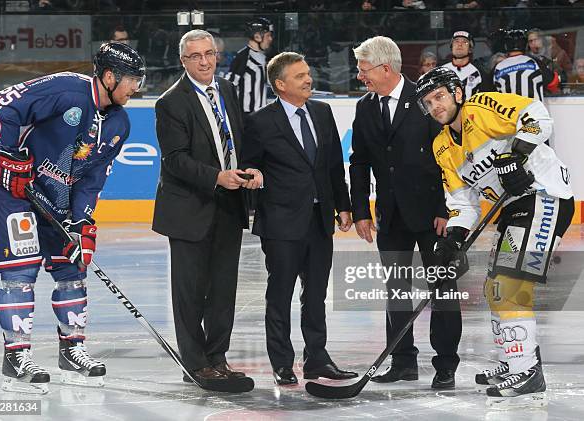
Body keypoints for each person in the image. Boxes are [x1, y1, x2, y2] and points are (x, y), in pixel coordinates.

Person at [0, 42, 146, 394]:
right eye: (132, 80)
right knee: (20, 273)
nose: (137, 87)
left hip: (58, 201)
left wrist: (82, 221)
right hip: (14, 194)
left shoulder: (119, 123)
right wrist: (9, 155)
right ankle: (16, 357)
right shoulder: (67, 88)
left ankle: (72, 351)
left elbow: (92, 178)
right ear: (111, 76)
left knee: (73, 269)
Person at [416, 67, 574, 408]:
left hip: (545, 196)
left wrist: (517, 153)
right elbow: (463, 201)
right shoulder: (442, 146)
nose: (435, 106)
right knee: (495, 287)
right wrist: (453, 238)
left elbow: (536, 115)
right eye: (428, 102)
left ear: (457, 93)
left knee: (510, 286)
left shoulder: (482, 106)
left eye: (440, 97)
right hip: (516, 208)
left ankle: (527, 370)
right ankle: (514, 361)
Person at [240, 52, 357, 386]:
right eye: (300, 76)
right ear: (280, 84)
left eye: (308, 73)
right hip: (280, 223)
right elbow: (250, 165)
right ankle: (281, 362)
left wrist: (343, 206)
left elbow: (334, 165)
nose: (308, 80)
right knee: (280, 296)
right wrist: (255, 173)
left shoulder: (322, 111)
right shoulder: (261, 121)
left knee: (316, 294)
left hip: (319, 220)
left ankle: (317, 360)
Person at [350, 36, 460, 389]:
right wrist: (360, 210)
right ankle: (402, 361)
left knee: (442, 288)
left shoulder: (426, 98)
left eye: (363, 69)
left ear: (385, 68)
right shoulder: (365, 107)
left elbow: (451, 156)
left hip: (433, 215)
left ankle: (445, 364)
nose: (359, 76)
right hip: (391, 215)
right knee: (396, 288)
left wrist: (449, 209)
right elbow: (359, 162)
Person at [152, 30, 261, 386]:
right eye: (195, 56)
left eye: (209, 54)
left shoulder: (228, 90)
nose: (204, 61)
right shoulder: (171, 102)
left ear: (217, 55)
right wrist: (217, 177)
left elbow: (239, 140)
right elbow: (175, 160)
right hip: (189, 210)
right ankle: (195, 363)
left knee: (223, 291)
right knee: (189, 293)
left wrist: (248, 170)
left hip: (229, 205)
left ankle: (217, 357)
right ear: (183, 61)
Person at [225, 18, 274, 114]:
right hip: (246, 116)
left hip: (260, 113)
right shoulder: (243, 57)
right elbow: (229, 85)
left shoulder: (263, 57)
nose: (270, 39)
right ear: (257, 37)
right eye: (268, 35)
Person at [494, 29, 559, 101]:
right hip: (534, 111)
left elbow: (489, 94)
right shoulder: (534, 62)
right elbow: (553, 84)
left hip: (509, 111)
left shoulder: (498, 67)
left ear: (506, 46)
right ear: (525, 44)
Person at [442, 31, 489, 100]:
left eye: (465, 42)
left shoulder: (480, 72)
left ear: (470, 49)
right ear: (451, 47)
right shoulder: (441, 70)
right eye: (456, 41)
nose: (460, 44)